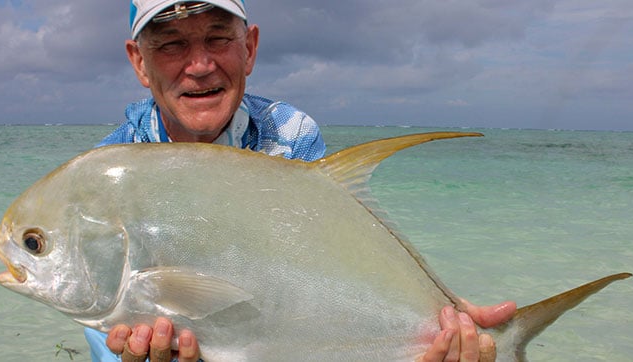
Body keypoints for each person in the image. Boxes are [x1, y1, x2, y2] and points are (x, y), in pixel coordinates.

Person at [85, 1, 517, 361]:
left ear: (250, 48)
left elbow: (328, 270)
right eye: (171, 45)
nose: (199, 65)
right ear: (139, 62)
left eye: (218, 38)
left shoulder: (290, 136)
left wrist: (437, 316)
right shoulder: (100, 180)